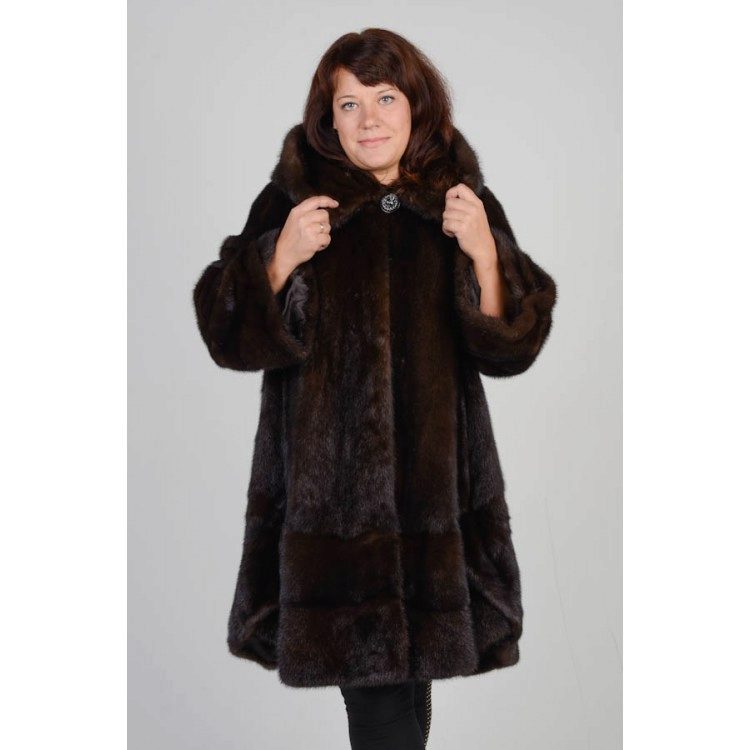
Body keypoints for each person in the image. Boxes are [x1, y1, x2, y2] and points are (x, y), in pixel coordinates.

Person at [193, 27, 558, 750]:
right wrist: (280, 257)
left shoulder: (460, 201)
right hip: (334, 522)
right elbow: (223, 331)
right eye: (349, 104)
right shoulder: (294, 200)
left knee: (409, 704)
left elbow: (512, 345)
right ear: (327, 118)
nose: (369, 120)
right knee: (384, 716)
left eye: (385, 98)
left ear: (416, 104)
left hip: (437, 509)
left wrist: (484, 252)